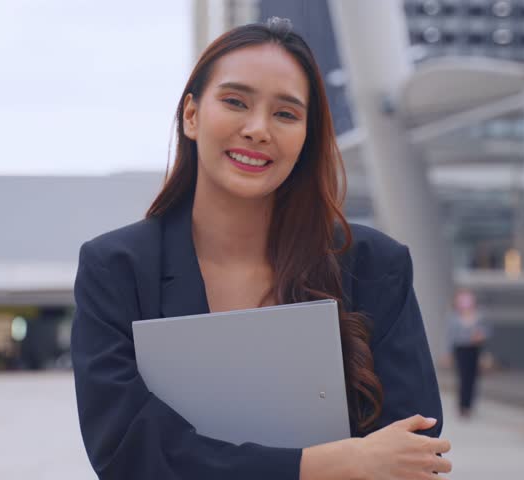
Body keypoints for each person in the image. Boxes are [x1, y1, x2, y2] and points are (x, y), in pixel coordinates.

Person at [71, 18, 450, 479]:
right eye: (235, 102)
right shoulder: (115, 268)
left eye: (286, 114)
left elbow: (413, 450)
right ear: (191, 115)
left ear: (307, 136)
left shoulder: (374, 265)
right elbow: (130, 453)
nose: (257, 129)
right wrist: (324, 464)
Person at [448, 289, 490, 418]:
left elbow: (487, 331)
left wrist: (481, 335)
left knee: (473, 378)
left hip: (474, 349)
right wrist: (448, 353)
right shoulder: (454, 317)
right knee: (462, 377)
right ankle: (462, 405)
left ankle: (469, 405)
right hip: (460, 349)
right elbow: (449, 336)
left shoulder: (479, 316)